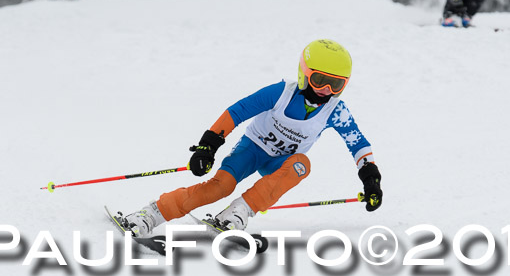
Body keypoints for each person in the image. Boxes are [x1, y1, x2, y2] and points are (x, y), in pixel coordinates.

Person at [119, 39, 382, 238]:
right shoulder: (281, 93)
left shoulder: (336, 111)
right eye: (320, 80)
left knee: (302, 165)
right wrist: (208, 145)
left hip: (282, 162)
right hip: (252, 149)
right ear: (304, 73)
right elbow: (238, 111)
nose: (326, 90)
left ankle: (238, 213)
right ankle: (149, 214)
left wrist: (370, 178)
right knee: (218, 188)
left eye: (335, 85)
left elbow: (357, 142)